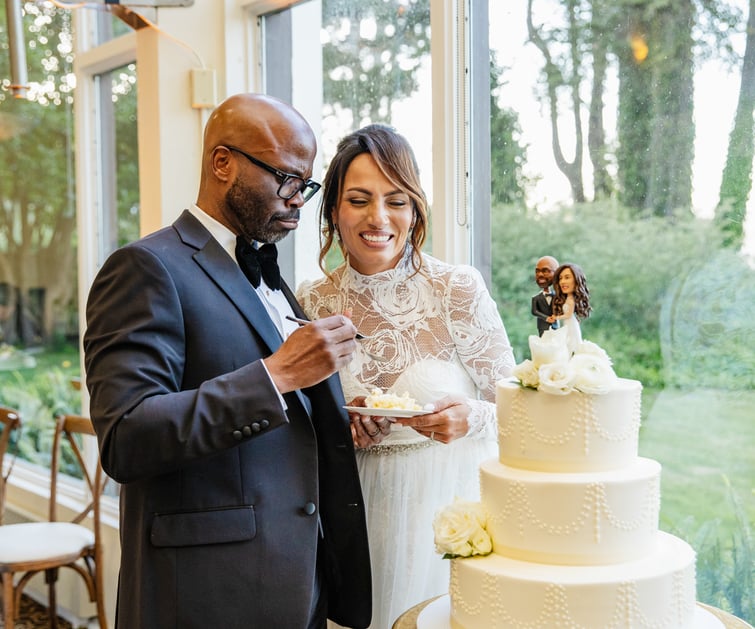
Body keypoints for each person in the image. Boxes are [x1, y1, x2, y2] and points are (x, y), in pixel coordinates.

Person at [83, 93, 372, 629]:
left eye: (305, 186)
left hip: (301, 586)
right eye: (287, 178)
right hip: (206, 595)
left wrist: (336, 416)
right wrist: (278, 374)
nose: (297, 201)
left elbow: (277, 420)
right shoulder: (145, 268)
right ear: (223, 163)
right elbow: (126, 438)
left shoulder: (270, 275)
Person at [295, 123, 515, 629]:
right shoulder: (311, 302)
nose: (378, 218)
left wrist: (472, 417)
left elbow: (517, 405)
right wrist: (346, 434)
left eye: (396, 200)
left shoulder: (456, 288)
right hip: (355, 518)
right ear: (332, 209)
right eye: (359, 200)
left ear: (415, 210)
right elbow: (304, 422)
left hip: (447, 517)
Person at [552, 262, 592, 354]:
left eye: (567, 277)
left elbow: (568, 315)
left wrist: (556, 317)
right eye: (560, 278)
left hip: (570, 324)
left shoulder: (571, 300)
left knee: (572, 342)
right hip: (567, 324)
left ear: (576, 280)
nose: (562, 282)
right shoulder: (567, 298)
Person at [531, 255, 559, 336]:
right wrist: (546, 318)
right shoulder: (536, 298)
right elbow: (534, 311)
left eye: (545, 271)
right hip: (543, 328)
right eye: (537, 271)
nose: (540, 274)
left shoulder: (558, 296)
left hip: (556, 327)